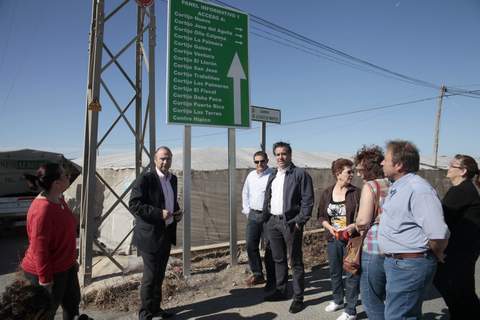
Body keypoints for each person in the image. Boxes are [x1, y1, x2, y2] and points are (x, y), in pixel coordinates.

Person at [378, 140, 449, 320]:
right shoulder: (398, 186)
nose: (381, 163)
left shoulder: (418, 189)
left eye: (385, 159)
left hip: (409, 264)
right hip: (399, 263)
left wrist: (435, 251)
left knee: (397, 316)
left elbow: (438, 232)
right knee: (407, 314)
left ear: (399, 164)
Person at [21, 163, 80, 320]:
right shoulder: (42, 210)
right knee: (45, 314)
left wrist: (72, 260)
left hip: (66, 267)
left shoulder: (59, 199)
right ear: (56, 183)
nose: (70, 177)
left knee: (72, 306)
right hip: (48, 272)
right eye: (66, 175)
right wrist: (45, 280)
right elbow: (40, 249)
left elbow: (65, 235)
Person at [129, 146, 183, 320]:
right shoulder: (146, 179)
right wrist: (159, 213)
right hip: (149, 235)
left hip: (166, 233)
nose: (165, 162)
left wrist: (176, 212)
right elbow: (134, 205)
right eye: (162, 159)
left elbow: (170, 201)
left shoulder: (173, 179)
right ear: (155, 160)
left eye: (168, 158)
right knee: (150, 276)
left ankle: (156, 309)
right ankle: (145, 313)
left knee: (160, 274)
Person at [262, 142, 314, 314]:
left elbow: (308, 200)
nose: (280, 157)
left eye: (284, 154)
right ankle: (281, 289)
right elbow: (269, 196)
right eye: (277, 154)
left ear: (290, 155)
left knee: (295, 261)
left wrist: (300, 220)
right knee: (278, 259)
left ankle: (298, 298)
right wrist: (266, 217)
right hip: (273, 222)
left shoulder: (300, 174)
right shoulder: (273, 174)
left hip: (291, 223)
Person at [433, 154, 480, 319]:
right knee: (461, 288)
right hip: (462, 249)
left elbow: (440, 217)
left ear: (463, 171)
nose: (448, 167)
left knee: (458, 288)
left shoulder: (462, 190)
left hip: (460, 250)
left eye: (452, 165)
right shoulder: (463, 189)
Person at [318, 158, 360, 320]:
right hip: (333, 238)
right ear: (338, 174)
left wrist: (353, 227)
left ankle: (351, 311)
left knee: (351, 273)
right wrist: (329, 227)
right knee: (334, 271)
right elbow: (321, 215)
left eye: (352, 171)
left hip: (352, 240)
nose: (352, 174)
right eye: (348, 172)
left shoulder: (357, 192)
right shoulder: (328, 192)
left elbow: (363, 216)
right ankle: (337, 300)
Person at [353, 146, 390, 320]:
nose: (359, 174)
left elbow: (362, 221)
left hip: (374, 248)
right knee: (390, 297)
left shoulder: (371, 186)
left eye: (361, 170)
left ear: (369, 168)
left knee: (370, 298)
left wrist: (356, 226)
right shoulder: (394, 183)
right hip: (395, 248)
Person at [242, 151, 275, 289]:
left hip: (268, 215)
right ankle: (257, 273)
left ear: (267, 160)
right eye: (256, 162)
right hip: (253, 215)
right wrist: (247, 211)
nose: (259, 164)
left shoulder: (273, 175)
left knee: (270, 247)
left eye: (262, 161)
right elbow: (246, 193)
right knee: (250, 244)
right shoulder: (251, 175)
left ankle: (272, 277)